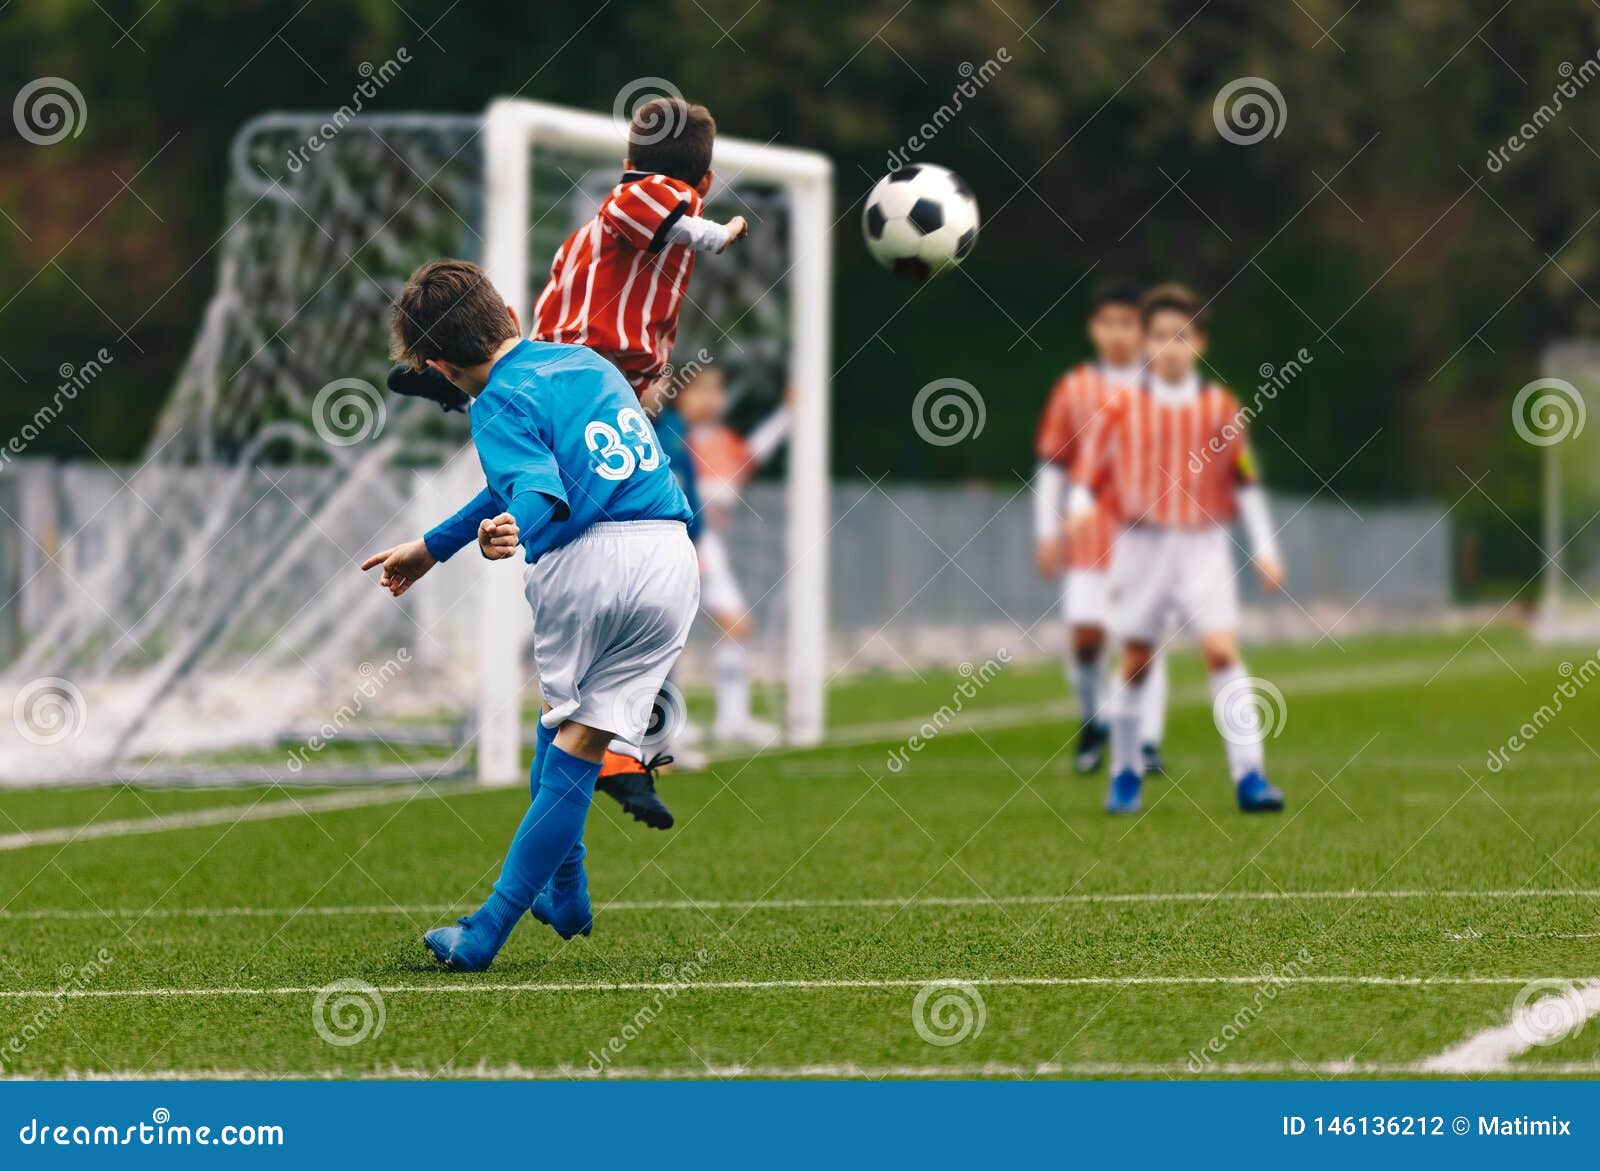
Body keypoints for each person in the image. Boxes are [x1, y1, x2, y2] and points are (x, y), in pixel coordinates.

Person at [387, 96, 746, 826]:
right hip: (587, 358)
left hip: (580, 362)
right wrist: (716, 232)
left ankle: (453, 376)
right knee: (608, 564)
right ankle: (617, 755)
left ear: (626, 156)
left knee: (556, 516)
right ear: (699, 182)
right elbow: (640, 210)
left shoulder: (628, 220)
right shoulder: (653, 200)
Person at [361, 259, 699, 969]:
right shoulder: (587, 363)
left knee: (569, 745)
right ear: (510, 314)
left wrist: (517, 529)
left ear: (442, 368)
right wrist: (433, 546)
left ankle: (486, 929)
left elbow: (537, 491)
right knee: (571, 733)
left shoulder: (494, 404)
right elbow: (525, 481)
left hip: (589, 566)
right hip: (670, 557)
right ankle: (567, 892)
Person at [1068, 283, 1287, 815]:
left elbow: (1245, 481)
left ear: (1200, 345)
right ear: (1146, 344)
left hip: (1203, 546)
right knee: (1137, 661)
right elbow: (1087, 476)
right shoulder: (1121, 410)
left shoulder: (1220, 407)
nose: (1170, 347)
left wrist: (1265, 546)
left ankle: (1251, 776)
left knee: (1221, 652)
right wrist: (1077, 512)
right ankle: (1124, 775)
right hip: (1140, 545)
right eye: (1160, 336)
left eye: (1181, 337)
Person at [1033, 280, 1167, 775]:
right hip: (1088, 532)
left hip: (1150, 532)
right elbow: (1051, 465)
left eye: (1126, 324)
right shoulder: (1074, 390)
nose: (1117, 334)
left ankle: (1148, 742)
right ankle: (1093, 723)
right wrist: (1047, 532)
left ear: (1142, 331)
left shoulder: (1164, 388)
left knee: (1143, 637)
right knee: (1086, 639)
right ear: (1093, 329)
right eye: (1107, 323)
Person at [678, 365, 789, 745]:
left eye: (717, 390)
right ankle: (661, 722)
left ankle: (731, 718)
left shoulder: (721, 439)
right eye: (701, 389)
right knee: (661, 631)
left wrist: (785, 416)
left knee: (736, 626)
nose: (711, 398)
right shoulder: (674, 436)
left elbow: (751, 455)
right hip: (681, 543)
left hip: (706, 544)